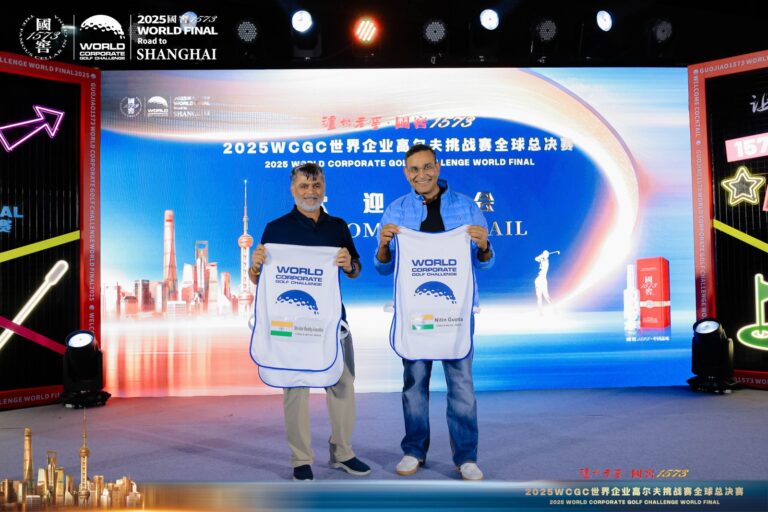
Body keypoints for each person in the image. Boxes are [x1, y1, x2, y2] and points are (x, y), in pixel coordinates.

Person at [374, 144, 495, 481]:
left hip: (456, 314)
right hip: (414, 314)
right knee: (414, 384)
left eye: (427, 167)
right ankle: (414, 450)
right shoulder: (396, 211)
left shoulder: (467, 208)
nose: (422, 174)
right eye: (414, 169)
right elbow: (383, 267)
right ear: (406, 173)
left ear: (438, 167)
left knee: (462, 387)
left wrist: (484, 246)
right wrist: (383, 246)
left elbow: (485, 263)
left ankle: (466, 456)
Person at [249, 163, 370, 481]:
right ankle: (300, 459)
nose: (311, 192)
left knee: (342, 383)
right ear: (293, 189)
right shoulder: (276, 229)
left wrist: (349, 264)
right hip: (291, 328)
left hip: (332, 322)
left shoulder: (338, 227)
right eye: (304, 186)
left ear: (324, 188)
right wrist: (255, 266)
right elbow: (259, 279)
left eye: (316, 186)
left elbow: (355, 269)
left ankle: (343, 452)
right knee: (295, 388)